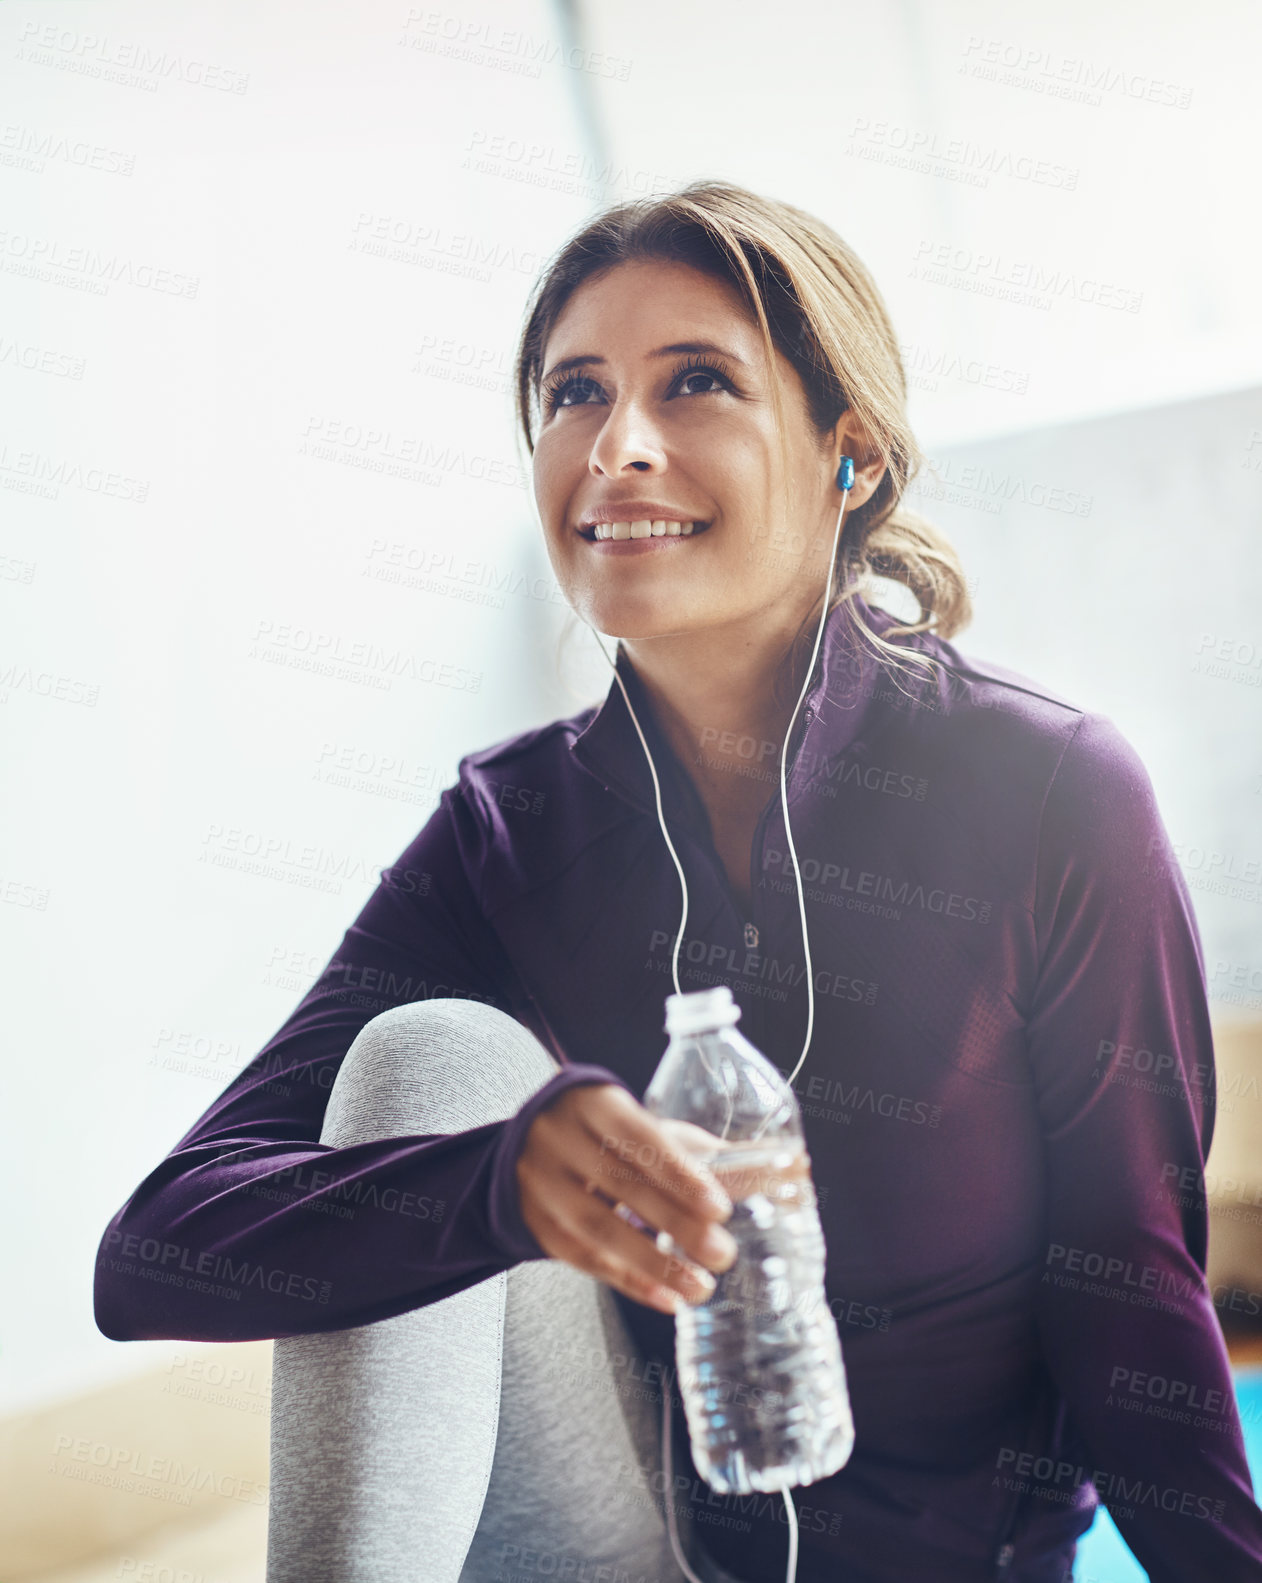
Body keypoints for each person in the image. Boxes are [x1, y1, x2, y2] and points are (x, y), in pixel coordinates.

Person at [93, 181, 1262, 1583]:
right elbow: (152, 1252)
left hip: (953, 1557)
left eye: (695, 382)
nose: (618, 448)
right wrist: (497, 1189)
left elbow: (1129, 1303)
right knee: (432, 1058)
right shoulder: (508, 831)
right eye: (574, 395)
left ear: (851, 457)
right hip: (645, 1535)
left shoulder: (1048, 791)